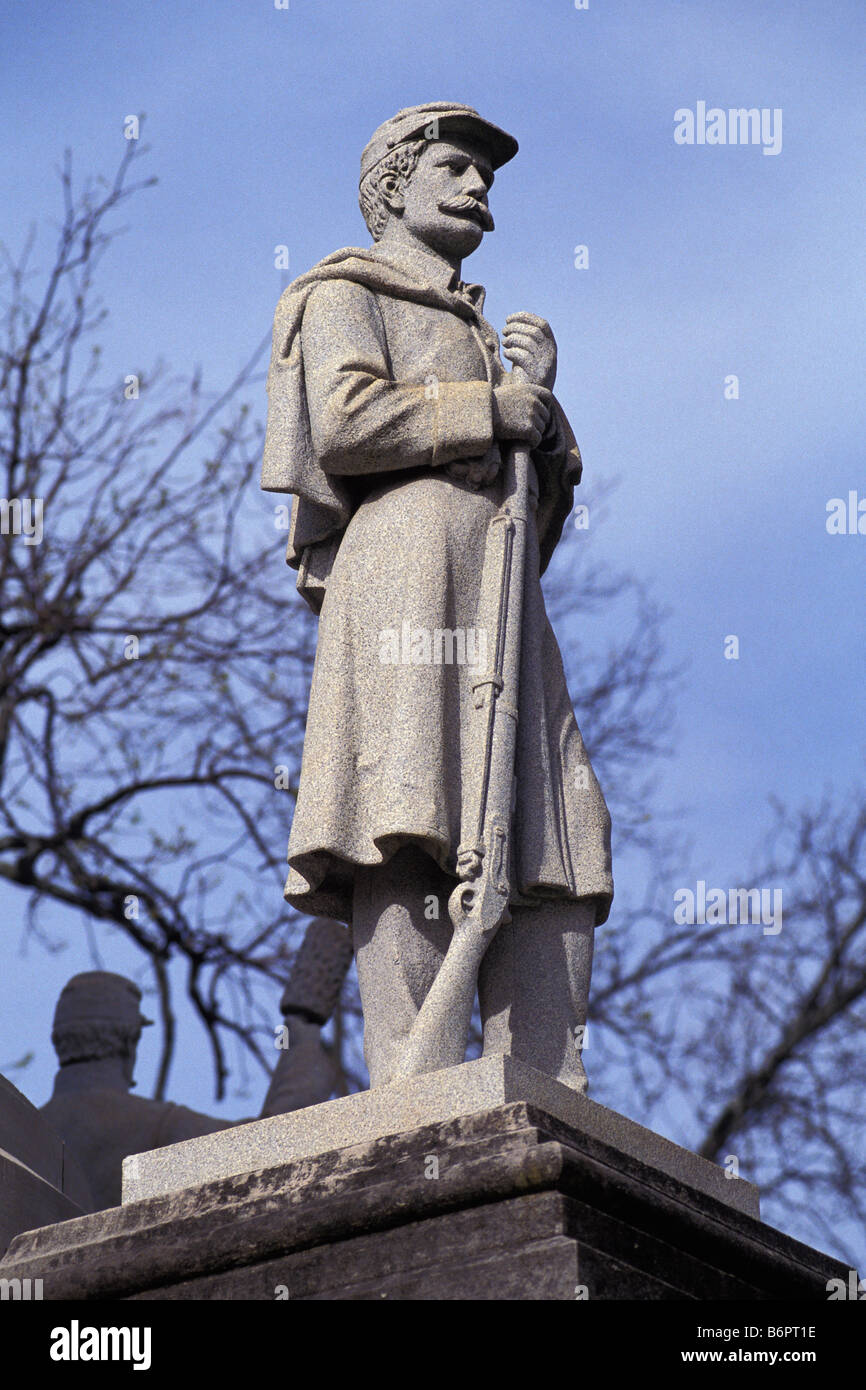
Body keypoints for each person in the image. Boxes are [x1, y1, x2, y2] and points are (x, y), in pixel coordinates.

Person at [262, 102, 613, 1093]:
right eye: (456, 168)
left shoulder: (487, 333)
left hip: (500, 595)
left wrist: (540, 422)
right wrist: (487, 410)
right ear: (393, 184)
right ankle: (409, 1083)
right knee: (402, 809)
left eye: (486, 178)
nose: (476, 190)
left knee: (554, 820)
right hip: (403, 570)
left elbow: (532, 522)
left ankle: (545, 1080)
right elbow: (343, 423)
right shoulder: (342, 290)